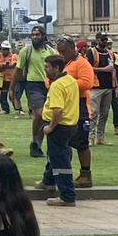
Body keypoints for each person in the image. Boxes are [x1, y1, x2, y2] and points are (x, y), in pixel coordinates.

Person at [35, 36, 95, 191]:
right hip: (62, 100)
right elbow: (48, 82)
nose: (60, 54)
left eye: (63, 51)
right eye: (58, 51)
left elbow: (87, 83)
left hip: (78, 104)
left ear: (72, 48)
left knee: (81, 143)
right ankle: (49, 178)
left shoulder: (81, 63)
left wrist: (65, 83)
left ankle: (85, 174)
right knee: (58, 148)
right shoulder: (60, 65)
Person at [40, 54, 79, 207]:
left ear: (56, 68)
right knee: (58, 155)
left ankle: (67, 196)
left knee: (60, 159)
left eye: (47, 67)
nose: (45, 70)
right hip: (70, 125)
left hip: (60, 126)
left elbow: (57, 110)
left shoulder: (57, 85)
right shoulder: (70, 81)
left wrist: (50, 127)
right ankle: (48, 180)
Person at [10, 25, 54, 158]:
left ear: (43, 36)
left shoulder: (51, 51)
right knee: (39, 114)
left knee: (47, 116)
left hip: (49, 85)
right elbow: (18, 70)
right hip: (33, 85)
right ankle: (35, 142)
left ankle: (39, 144)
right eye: (33, 35)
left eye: (38, 34)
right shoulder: (26, 51)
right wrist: (12, 88)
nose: (35, 37)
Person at [87, 32, 116, 147]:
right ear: (98, 40)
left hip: (108, 86)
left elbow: (113, 70)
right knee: (94, 113)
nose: (105, 42)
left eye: (106, 40)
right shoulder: (91, 52)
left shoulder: (110, 53)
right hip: (96, 86)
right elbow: (88, 69)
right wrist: (104, 69)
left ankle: (100, 137)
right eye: (103, 40)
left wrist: (115, 86)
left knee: (104, 114)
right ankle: (90, 136)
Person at [0, 41, 18, 114]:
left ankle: (18, 109)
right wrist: (5, 65)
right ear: (1, 49)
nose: (5, 51)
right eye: (4, 49)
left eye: (7, 49)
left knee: (13, 95)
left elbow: (13, 65)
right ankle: (5, 109)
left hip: (12, 79)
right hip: (2, 79)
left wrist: (3, 65)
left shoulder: (13, 56)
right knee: (3, 95)